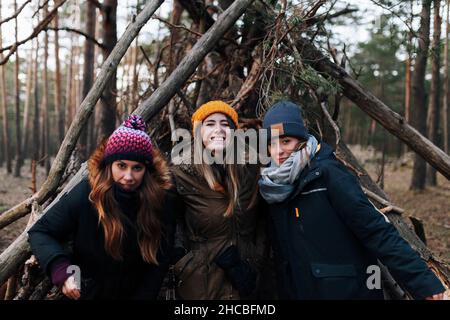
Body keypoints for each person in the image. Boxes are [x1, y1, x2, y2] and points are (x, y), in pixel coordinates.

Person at [258, 100, 446, 300]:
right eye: (272, 143)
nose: (278, 151)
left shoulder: (328, 175)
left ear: (302, 140)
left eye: (286, 141)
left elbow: (376, 230)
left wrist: (424, 283)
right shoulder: (272, 188)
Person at [28, 115, 175, 299]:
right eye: (121, 166)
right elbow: (40, 232)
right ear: (109, 165)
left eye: (137, 168)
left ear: (146, 170)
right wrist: (62, 271)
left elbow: (160, 260)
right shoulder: (87, 193)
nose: (128, 176)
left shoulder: (161, 200)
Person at [170, 100, 269, 300]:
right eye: (210, 124)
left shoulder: (251, 170)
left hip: (247, 281)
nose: (219, 130)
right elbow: (170, 223)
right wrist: (184, 262)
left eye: (225, 124)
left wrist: (257, 259)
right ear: (198, 132)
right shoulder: (181, 174)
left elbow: (263, 219)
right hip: (201, 285)